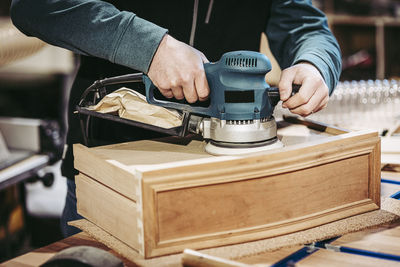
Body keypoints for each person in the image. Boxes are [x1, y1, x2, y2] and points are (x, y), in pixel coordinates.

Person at [10, 0, 341, 237]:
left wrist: (315, 62)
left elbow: (304, 25)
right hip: (113, 174)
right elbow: (35, 7)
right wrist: (151, 48)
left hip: (226, 174)